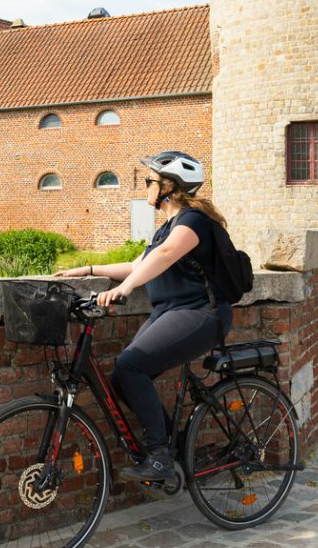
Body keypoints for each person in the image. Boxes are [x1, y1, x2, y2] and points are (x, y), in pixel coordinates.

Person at [53, 150, 232, 482]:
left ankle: (160, 456)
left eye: (151, 181)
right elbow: (139, 264)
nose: (146, 185)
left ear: (169, 186)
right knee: (123, 375)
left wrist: (125, 289)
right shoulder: (166, 228)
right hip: (170, 311)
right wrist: (88, 268)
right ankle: (176, 448)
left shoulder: (193, 222)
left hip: (201, 314)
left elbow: (164, 257)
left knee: (132, 366)